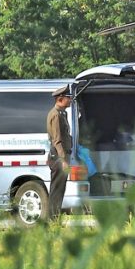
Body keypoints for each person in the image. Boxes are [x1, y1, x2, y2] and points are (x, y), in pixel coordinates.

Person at [46, 85, 73, 221]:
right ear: (60, 99)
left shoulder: (63, 113)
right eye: (68, 98)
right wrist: (63, 160)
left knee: (60, 189)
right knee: (56, 190)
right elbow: (57, 140)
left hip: (61, 156)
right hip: (58, 157)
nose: (70, 100)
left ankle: (54, 218)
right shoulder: (55, 115)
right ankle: (52, 219)